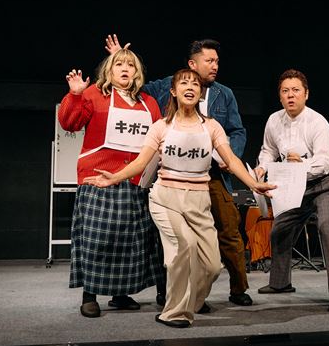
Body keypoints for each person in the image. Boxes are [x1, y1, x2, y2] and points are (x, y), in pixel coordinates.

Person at [84, 68, 276, 328]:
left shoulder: (212, 127)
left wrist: (253, 184)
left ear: (200, 93)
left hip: (199, 202)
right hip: (166, 200)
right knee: (182, 249)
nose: (190, 87)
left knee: (212, 265)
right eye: (184, 83)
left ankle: (192, 302)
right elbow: (141, 162)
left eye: (195, 84)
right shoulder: (161, 127)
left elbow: (231, 160)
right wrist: (114, 178)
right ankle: (173, 313)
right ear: (173, 91)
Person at [106, 35, 253, 307]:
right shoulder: (168, 86)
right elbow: (135, 89)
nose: (215, 66)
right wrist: (120, 60)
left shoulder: (224, 94)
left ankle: (237, 288)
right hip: (172, 176)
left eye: (217, 61)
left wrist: (229, 155)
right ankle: (172, 295)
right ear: (192, 64)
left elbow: (237, 131)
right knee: (176, 242)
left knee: (228, 231)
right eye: (209, 61)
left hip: (213, 173)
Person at [59, 48, 166, 318]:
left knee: (130, 240)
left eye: (130, 65)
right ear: (109, 70)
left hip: (134, 180)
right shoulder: (95, 95)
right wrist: (75, 95)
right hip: (97, 178)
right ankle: (89, 295)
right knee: (97, 239)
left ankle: (121, 294)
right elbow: (69, 123)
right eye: (119, 64)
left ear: (137, 72)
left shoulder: (148, 103)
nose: (125, 69)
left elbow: (157, 139)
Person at [254, 69, 329, 312]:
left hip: (323, 185)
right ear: (280, 96)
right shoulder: (274, 120)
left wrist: (302, 164)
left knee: (326, 227)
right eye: (285, 91)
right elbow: (268, 150)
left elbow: (324, 162)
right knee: (279, 230)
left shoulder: (317, 122)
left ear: (306, 94)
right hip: (293, 187)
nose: (290, 95)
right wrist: (262, 166)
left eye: (295, 90)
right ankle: (280, 283)